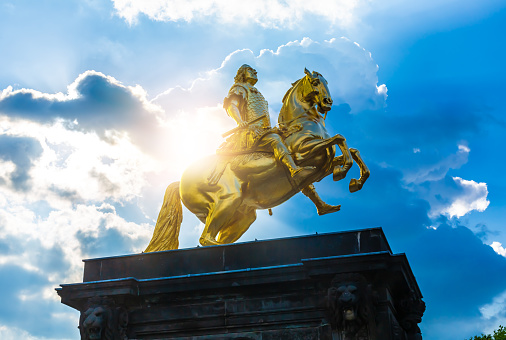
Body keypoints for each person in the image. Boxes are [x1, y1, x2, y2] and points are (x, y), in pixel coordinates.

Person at [218, 64, 313, 178]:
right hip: (251, 132)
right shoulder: (239, 88)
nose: (255, 72)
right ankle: (293, 170)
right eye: (250, 70)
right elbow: (232, 106)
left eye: (254, 70)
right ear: (242, 74)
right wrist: (240, 121)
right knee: (275, 140)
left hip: (264, 130)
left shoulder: (256, 92)